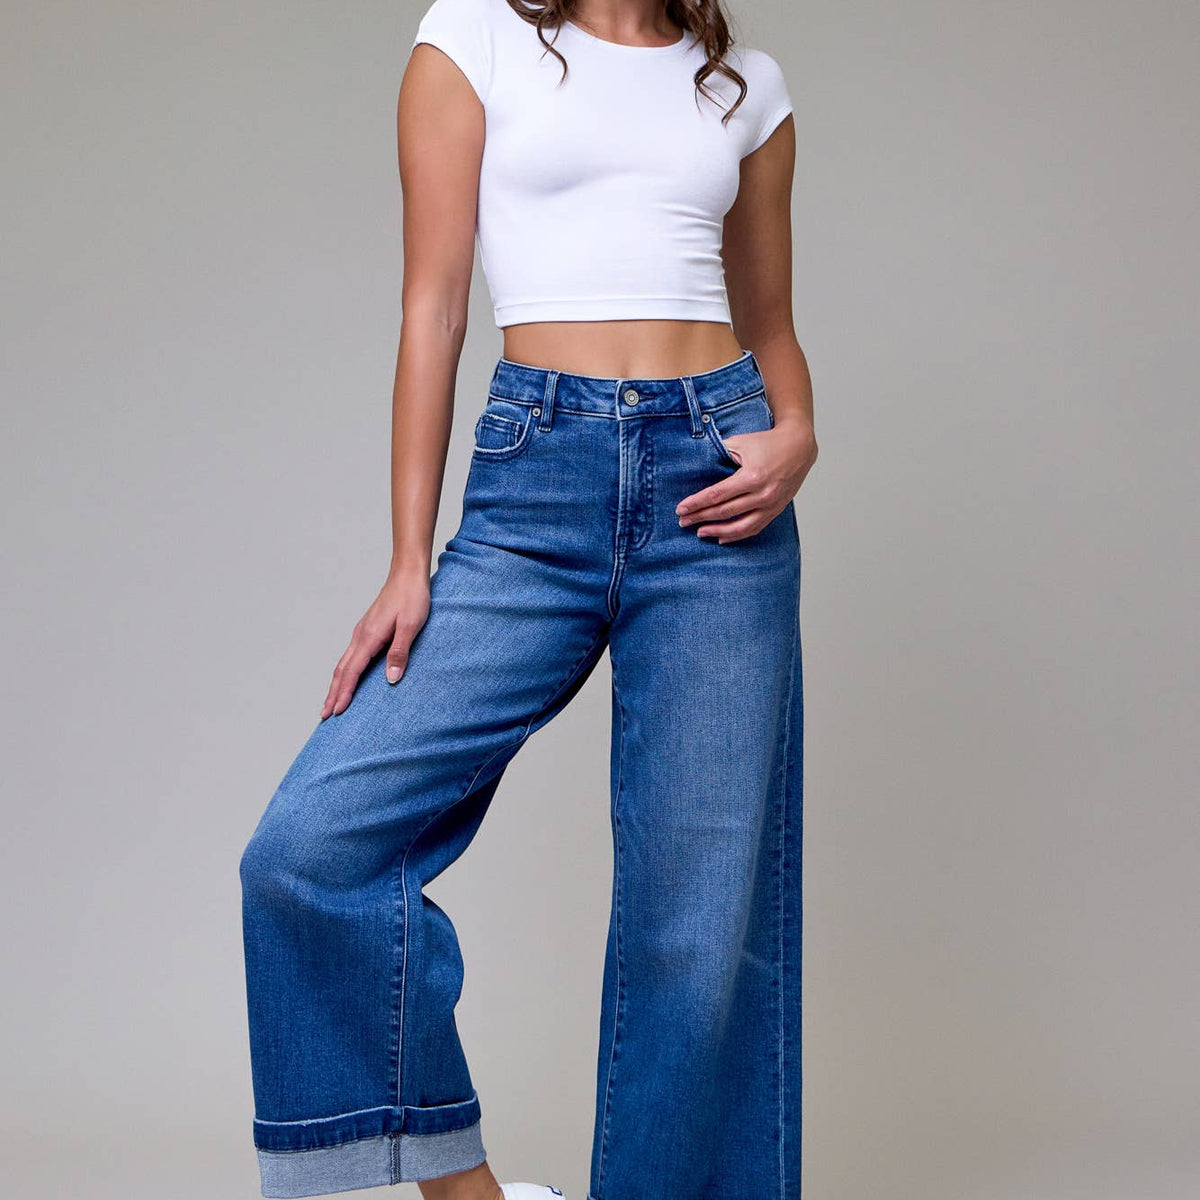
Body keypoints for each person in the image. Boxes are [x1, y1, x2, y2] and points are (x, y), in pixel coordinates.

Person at [238, 0, 818, 1197]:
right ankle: (467, 1194)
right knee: (307, 849)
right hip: (534, 491)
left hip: (719, 485)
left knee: (698, 936)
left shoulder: (744, 86)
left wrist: (797, 435)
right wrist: (411, 558)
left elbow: (770, 328)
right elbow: (434, 305)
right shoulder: (474, 37)